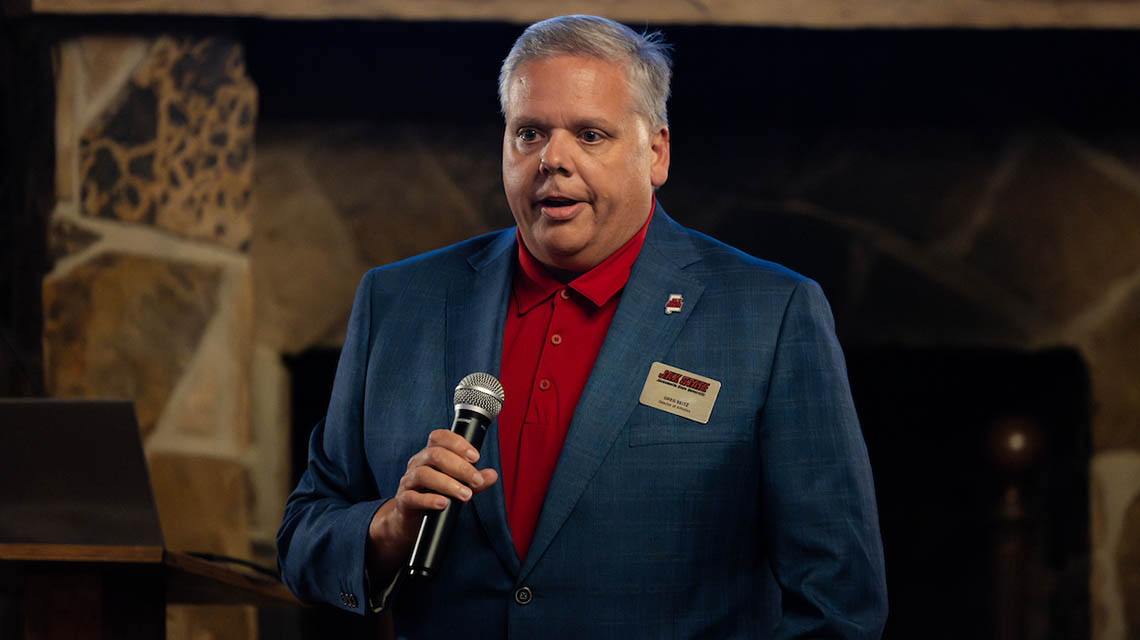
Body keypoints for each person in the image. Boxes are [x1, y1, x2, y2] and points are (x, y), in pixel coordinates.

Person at [277, 15, 888, 639]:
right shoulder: (398, 301)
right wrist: (388, 527)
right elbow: (302, 540)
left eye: (591, 135)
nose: (553, 160)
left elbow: (838, 601)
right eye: (529, 133)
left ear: (656, 152)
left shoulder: (771, 313)